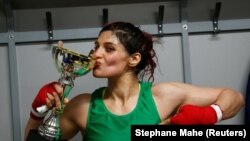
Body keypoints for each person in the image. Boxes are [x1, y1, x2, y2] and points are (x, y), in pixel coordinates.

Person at [24, 21, 244, 141]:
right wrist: (37, 112)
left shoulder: (163, 96)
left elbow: (234, 98)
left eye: (108, 49)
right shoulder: (83, 106)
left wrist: (210, 114)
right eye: (96, 46)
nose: (96, 54)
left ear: (133, 59)